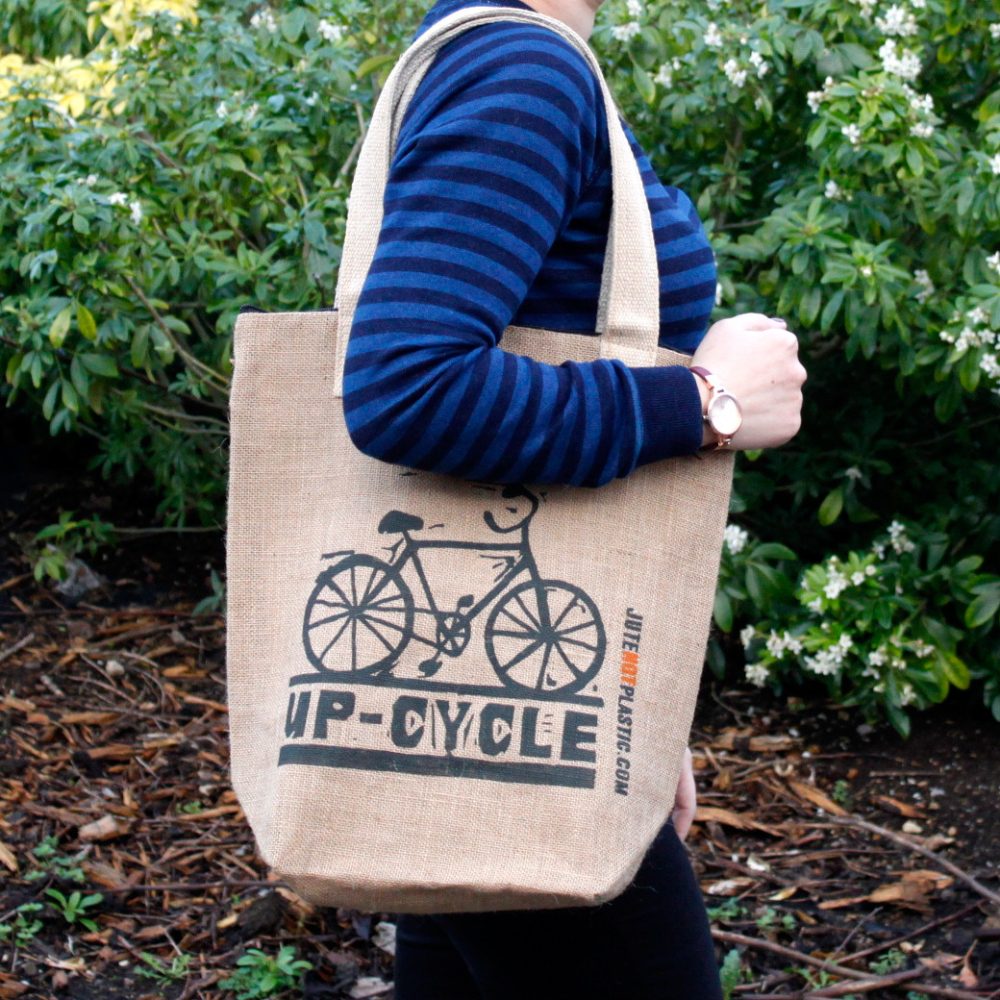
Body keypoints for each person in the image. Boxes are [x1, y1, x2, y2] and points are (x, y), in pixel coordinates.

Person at [342, 0, 806, 995]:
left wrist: (634, 702)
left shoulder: (513, 55)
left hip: (497, 710)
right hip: (504, 734)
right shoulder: (522, 69)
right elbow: (406, 386)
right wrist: (704, 403)